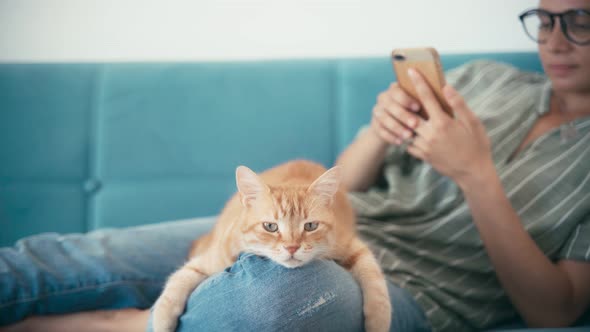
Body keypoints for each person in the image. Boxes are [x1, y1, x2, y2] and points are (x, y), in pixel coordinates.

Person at [1, 0, 589, 331]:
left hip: (415, 292)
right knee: (62, 258)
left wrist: (476, 175)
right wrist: (379, 132)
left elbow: (555, 310)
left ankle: (133, 323)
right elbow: (338, 189)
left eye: (579, 20)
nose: (555, 41)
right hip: (315, 228)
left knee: (276, 301)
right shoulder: (484, 79)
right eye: (543, 18)